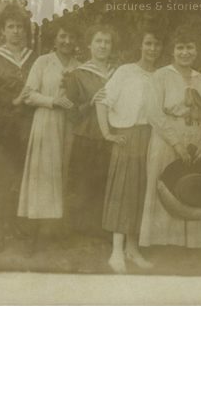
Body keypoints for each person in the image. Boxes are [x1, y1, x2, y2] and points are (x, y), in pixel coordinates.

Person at [139, 25, 201, 249]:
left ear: (196, 50)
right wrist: (176, 143)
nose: (185, 53)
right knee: (169, 189)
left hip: (196, 141)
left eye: (190, 48)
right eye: (180, 48)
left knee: (195, 186)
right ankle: (164, 245)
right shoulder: (161, 76)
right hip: (167, 140)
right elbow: (154, 113)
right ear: (172, 51)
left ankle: (195, 245)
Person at [96, 27, 164, 273]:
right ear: (141, 46)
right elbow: (103, 101)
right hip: (127, 136)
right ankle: (116, 251)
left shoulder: (161, 76)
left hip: (151, 138)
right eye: (148, 43)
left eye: (156, 44)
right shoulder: (125, 72)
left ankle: (132, 249)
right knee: (123, 191)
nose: (152, 49)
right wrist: (107, 134)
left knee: (141, 192)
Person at [17, 21, 80, 254]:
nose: (67, 41)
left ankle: (55, 229)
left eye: (72, 37)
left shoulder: (80, 67)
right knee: (41, 173)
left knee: (62, 172)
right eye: (63, 36)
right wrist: (52, 101)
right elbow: (28, 95)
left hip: (69, 125)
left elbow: (83, 100)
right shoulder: (43, 62)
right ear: (55, 39)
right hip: (46, 120)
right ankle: (33, 234)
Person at [0, 5, 36, 253]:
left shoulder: (34, 57)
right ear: (3, 30)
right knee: (0, 175)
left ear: (25, 30)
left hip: (28, 125)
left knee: (21, 176)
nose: (15, 32)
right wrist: (11, 101)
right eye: (10, 27)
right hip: (1, 126)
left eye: (19, 27)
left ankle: (15, 223)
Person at [64, 24, 117, 238]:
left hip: (112, 136)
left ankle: (102, 231)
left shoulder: (119, 73)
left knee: (107, 184)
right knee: (83, 185)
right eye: (98, 41)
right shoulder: (78, 75)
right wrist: (90, 103)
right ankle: (77, 232)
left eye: (107, 42)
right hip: (86, 136)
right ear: (89, 45)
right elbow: (71, 113)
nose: (103, 46)